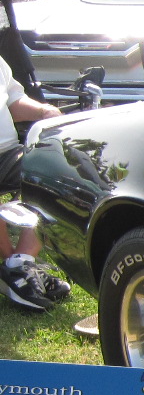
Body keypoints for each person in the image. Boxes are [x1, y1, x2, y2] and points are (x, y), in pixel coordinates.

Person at [2, 54, 69, 311]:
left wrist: (44, 111)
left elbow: (13, 100)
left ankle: (21, 263)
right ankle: (14, 269)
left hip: (7, 151)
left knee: (53, 169)